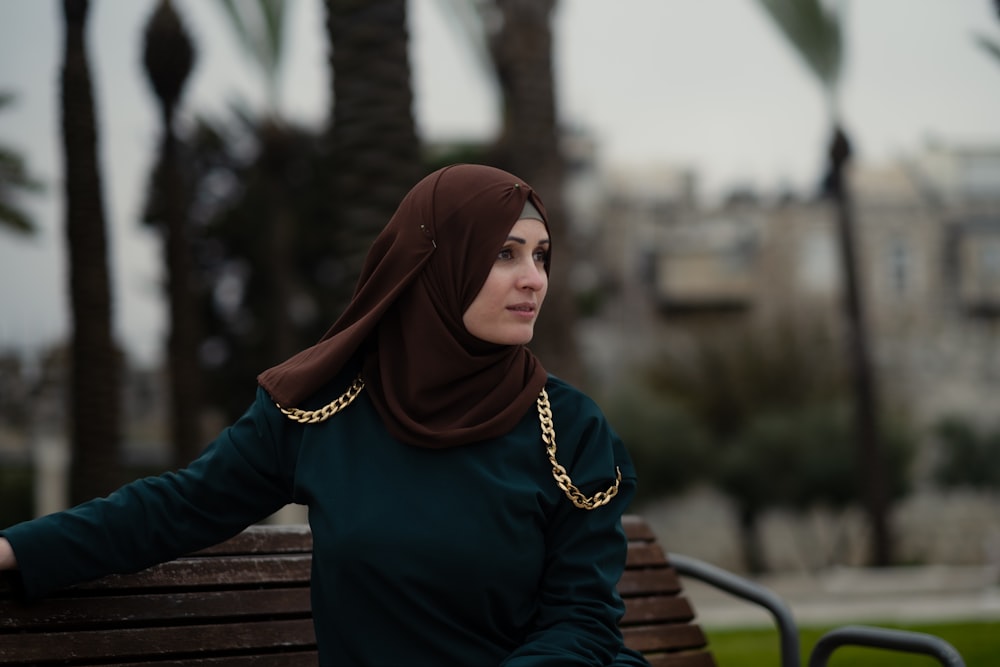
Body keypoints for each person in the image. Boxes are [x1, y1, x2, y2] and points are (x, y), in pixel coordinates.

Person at [0, 163, 648, 667]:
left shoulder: (569, 427)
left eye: (540, 255)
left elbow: (582, 616)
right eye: (504, 253)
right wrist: (16, 548)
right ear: (434, 264)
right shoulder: (323, 407)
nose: (533, 277)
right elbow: (175, 506)